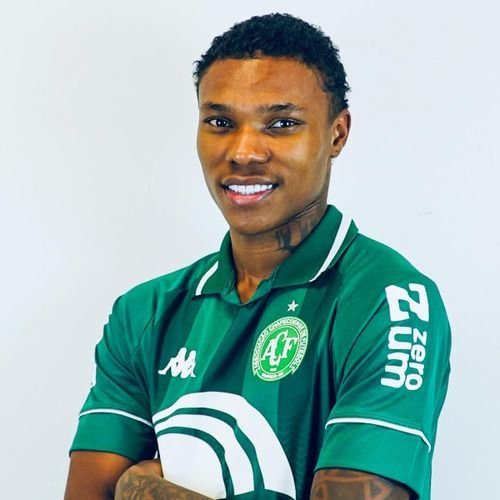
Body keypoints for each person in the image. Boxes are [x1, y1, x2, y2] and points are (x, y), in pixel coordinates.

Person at [64, 13, 451, 500]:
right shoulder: (145, 312)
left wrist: (140, 487)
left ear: (337, 134)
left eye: (282, 123)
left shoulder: (390, 301)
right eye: (220, 122)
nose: (244, 151)